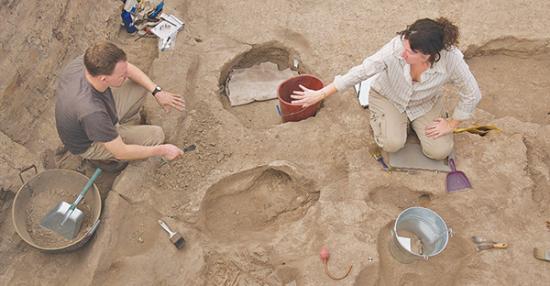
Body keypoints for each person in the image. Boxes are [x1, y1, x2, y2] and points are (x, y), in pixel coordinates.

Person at [291, 17, 481, 160]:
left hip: (425, 103)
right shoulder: (396, 47)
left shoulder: (452, 59)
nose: (402, 53)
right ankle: (392, 121)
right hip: (388, 98)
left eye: (410, 52)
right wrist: (321, 93)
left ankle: (410, 123)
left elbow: (472, 93)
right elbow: (363, 71)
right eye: (404, 46)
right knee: (392, 144)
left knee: (439, 152)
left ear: (428, 55)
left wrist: (451, 124)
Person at [55, 41, 185, 171]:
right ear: (103, 79)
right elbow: (121, 152)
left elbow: (127, 68)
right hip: (90, 142)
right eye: (122, 76)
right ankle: (103, 158)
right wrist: (163, 150)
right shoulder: (92, 112)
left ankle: (123, 127)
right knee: (156, 135)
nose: (125, 75)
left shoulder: (89, 62)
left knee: (140, 84)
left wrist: (157, 92)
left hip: (97, 118)